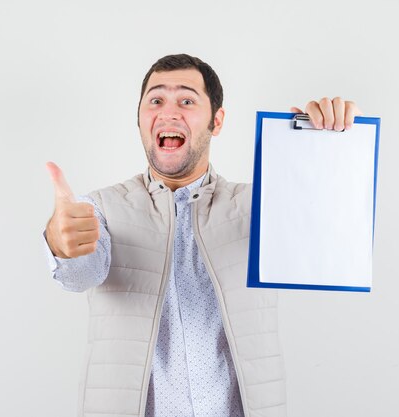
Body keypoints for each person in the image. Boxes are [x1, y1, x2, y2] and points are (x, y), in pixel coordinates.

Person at [43, 54, 361, 417]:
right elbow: (79, 274)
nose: (168, 112)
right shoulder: (99, 208)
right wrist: (60, 242)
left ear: (217, 121)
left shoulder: (259, 207)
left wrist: (328, 146)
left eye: (187, 100)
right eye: (156, 100)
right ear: (141, 120)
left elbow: (326, 233)